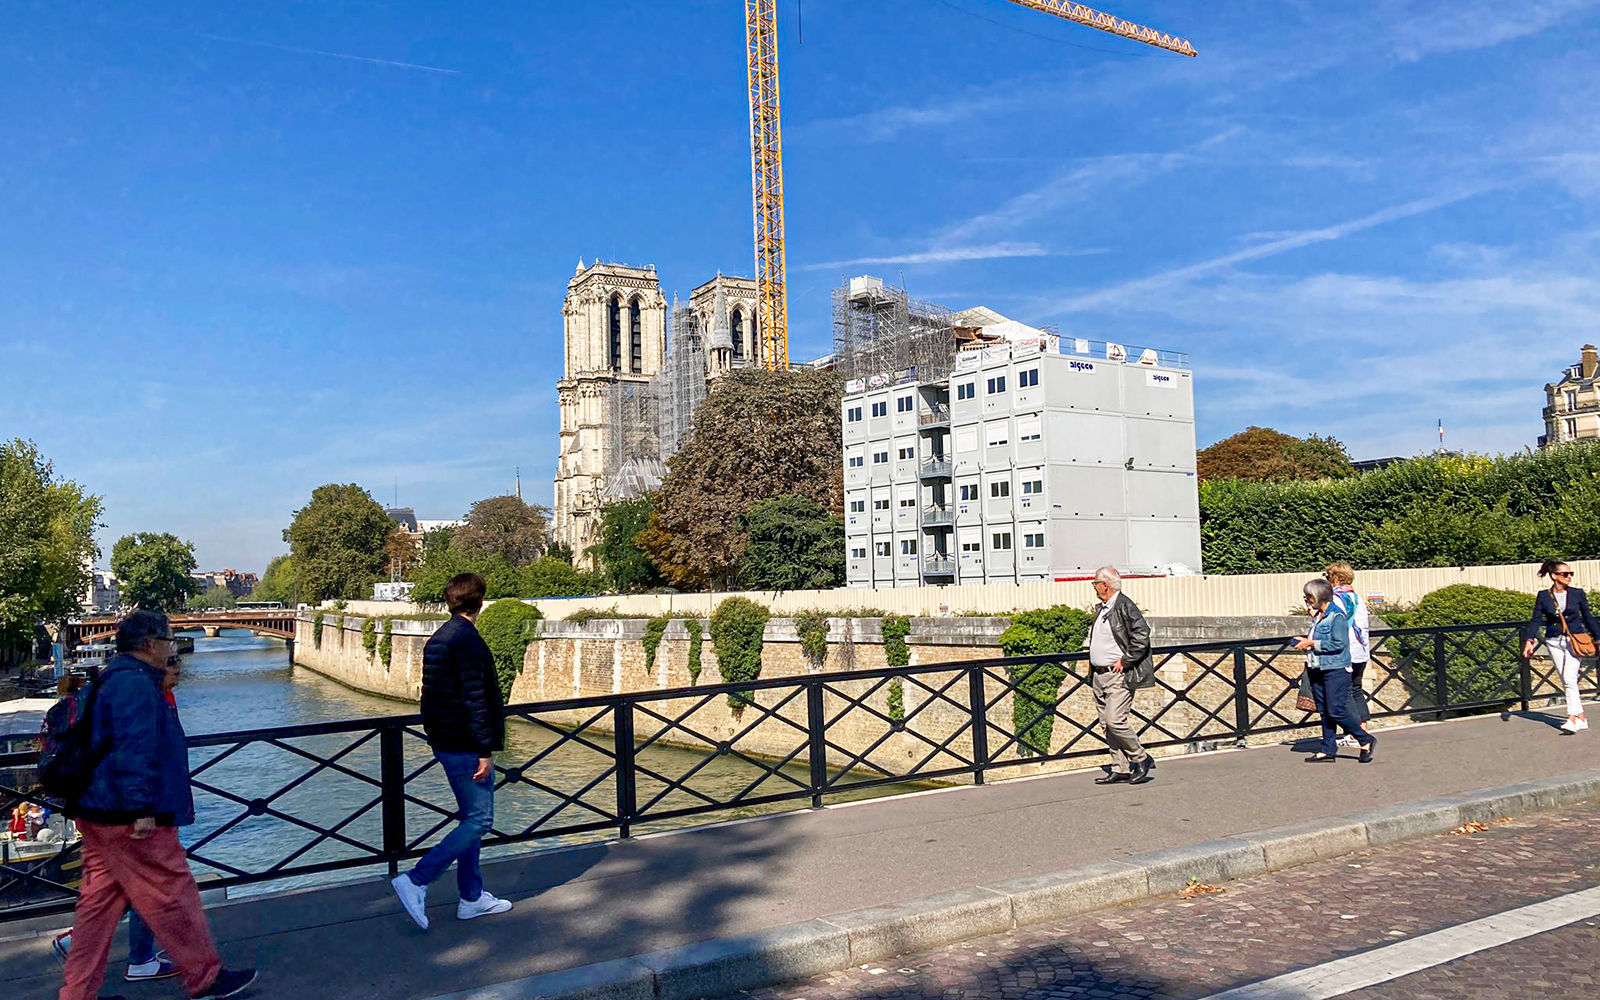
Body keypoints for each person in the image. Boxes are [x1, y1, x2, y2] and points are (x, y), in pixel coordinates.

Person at [58, 610, 256, 1000]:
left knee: (98, 907)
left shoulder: (117, 677)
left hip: (99, 809)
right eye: (167, 639)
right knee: (173, 893)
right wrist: (141, 809)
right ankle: (205, 977)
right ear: (149, 644)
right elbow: (134, 751)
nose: (173, 646)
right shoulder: (134, 684)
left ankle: (77, 994)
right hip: (127, 815)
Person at [390, 573, 513, 929]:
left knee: (469, 819)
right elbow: (476, 701)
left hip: (445, 741)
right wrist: (485, 750)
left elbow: (429, 695)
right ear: (480, 601)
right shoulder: (468, 641)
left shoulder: (439, 637)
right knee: (480, 820)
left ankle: (471, 897)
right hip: (466, 746)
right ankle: (417, 880)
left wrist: (434, 734)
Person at [51, 657, 183, 983]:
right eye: (172, 663)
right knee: (151, 885)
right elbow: (135, 756)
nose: (178, 669)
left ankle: (80, 947)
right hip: (136, 810)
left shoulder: (157, 696)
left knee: (119, 888)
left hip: (130, 807)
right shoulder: (143, 699)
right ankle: (141, 958)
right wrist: (143, 811)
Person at [1084, 567, 1156, 786]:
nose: (1094, 586)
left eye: (1095, 582)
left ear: (1105, 584)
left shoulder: (1123, 605)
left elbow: (1142, 634)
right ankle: (1120, 767)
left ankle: (1140, 758)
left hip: (1118, 675)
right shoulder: (1104, 608)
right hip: (1099, 674)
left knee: (1115, 720)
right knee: (1106, 723)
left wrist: (1126, 661)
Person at [1295, 579, 1376, 763]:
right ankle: (1328, 749)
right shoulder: (1319, 616)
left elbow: (1340, 644)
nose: (1307, 601)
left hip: (1335, 669)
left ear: (1319, 596)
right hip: (1318, 668)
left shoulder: (1336, 616)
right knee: (1324, 711)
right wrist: (1305, 640)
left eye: (1309, 597)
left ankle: (1365, 739)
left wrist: (1312, 643)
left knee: (1335, 711)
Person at [1523, 559, 1599, 735]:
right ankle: (1581, 717)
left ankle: (1571, 718)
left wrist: (1598, 638)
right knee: (1566, 679)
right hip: (1554, 641)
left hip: (1574, 640)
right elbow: (1535, 619)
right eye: (1565, 574)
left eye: (1570, 574)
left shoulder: (1577, 594)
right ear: (1554, 576)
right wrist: (1530, 640)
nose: (1569, 577)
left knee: (1569, 678)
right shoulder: (1543, 596)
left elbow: (1588, 616)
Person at [1325, 563, 1373, 747]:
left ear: (1335, 578)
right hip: (1361, 651)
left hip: (1345, 652)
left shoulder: (1336, 599)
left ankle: (1355, 734)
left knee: (1344, 693)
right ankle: (1363, 728)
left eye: (1328, 577)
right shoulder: (1356, 598)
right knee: (1355, 689)